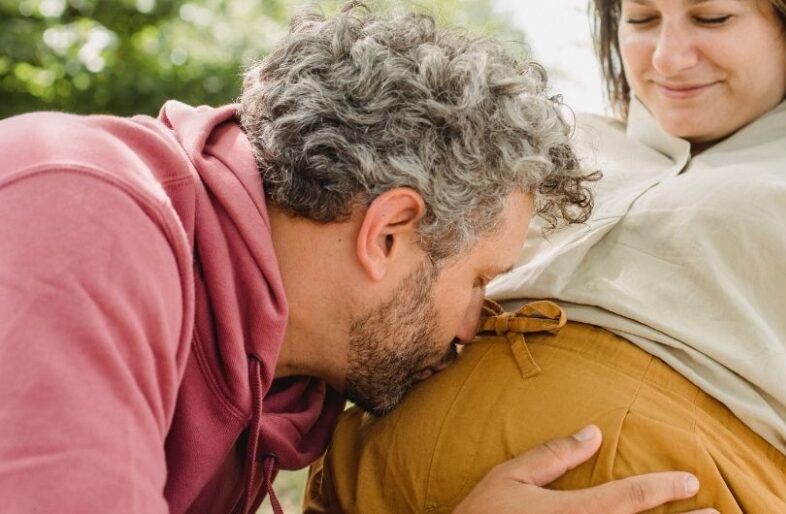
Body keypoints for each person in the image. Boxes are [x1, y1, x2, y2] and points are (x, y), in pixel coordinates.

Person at [305, 0, 786, 513]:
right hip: (373, 484)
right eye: (642, 20)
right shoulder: (556, 140)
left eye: (711, 19)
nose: (670, 57)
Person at [0, 4, 708, 514]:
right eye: (479, 280)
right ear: (388, 231)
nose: (475, 325)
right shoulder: (79, 207)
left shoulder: (282, 380)